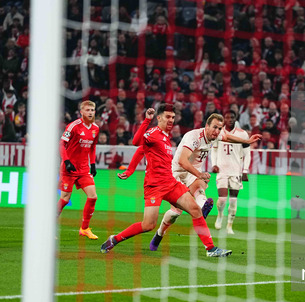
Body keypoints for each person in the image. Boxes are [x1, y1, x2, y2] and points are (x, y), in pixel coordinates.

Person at [101, 106, 260, 256]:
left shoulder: (165, 136)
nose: (171, 120)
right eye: (168, 117)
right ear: (159, 118)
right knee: (148, 225)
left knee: (195, 210)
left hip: (170, 182)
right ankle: (115, 239)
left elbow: (226, 136)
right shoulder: (156, 133)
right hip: (156, 184)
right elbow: (138, 145)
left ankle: (210, 248)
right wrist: (130, 169)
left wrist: (246, 142)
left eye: (173, 117)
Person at [57, 100, 100, 239]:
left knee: (93, 196)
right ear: (81, 112)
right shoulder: (73, 126)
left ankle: (85, 228)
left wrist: (92, 164)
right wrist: (67, 161)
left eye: (92, 110)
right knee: (64, 198)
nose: (90, 112)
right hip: (69, 168)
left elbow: (92, 147)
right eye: (87, 110)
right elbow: (62, 144)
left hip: (83, 169)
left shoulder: (95, 128)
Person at [212, 110, 251, 234]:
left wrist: (245, 170)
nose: (230, 119)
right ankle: (219, 215)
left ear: (235, 118)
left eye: (232, 117)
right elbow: (214, 150)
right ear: (224, 120)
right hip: (222, 170)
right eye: (227, 117)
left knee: (233, 200)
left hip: (236, 171)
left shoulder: (243, 134)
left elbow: (247, 154)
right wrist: (214, 164)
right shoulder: (218, 132)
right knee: (222, 199)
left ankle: (229, 226)